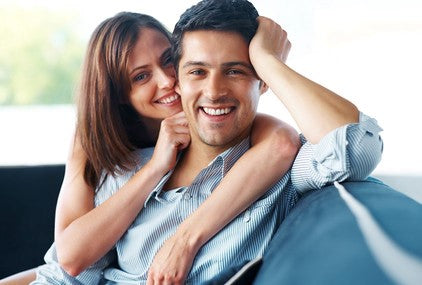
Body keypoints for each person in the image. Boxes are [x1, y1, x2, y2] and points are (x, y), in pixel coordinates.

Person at [24, 0, 383, 284]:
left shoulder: (279, 168)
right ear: (182, 81)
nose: (213, 91)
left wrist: (267, 62)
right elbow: (65, 272)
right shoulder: (123, 169)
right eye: (196, 71)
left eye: (235, 70)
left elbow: (355, 148)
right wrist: (155, 168)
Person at [0, 10, 301, 285]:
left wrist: (265, 61)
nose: (168, 80)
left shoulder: (214, 113)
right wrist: (158, 165)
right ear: (118, 93)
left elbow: (280, 142)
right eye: (141, 76)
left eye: (169, 59)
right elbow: (68, 260)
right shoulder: (96, 138)